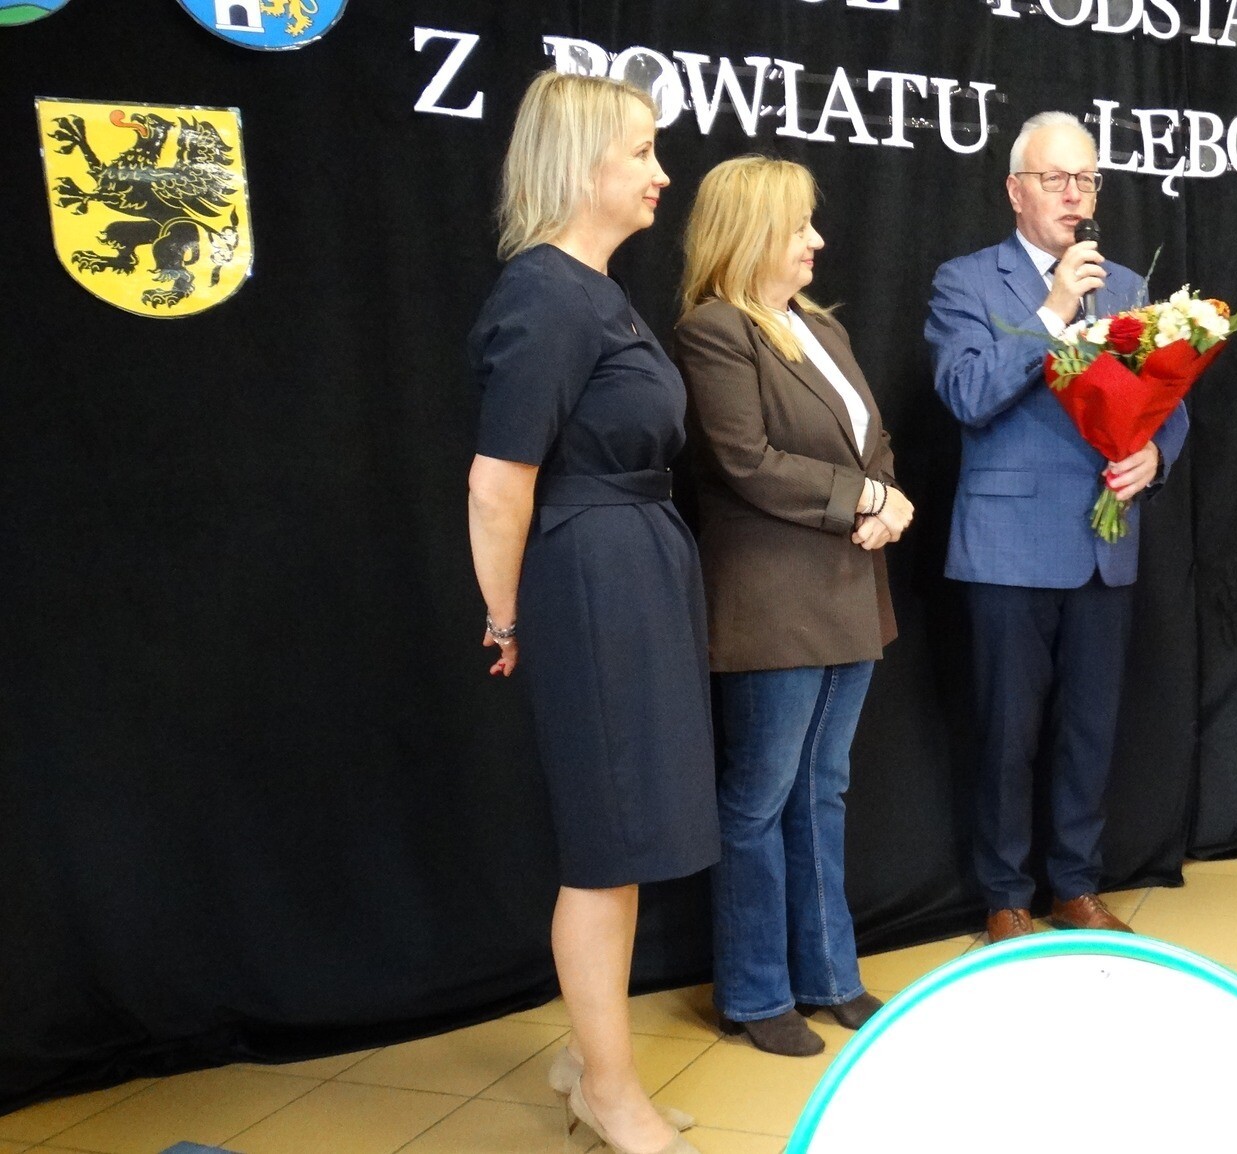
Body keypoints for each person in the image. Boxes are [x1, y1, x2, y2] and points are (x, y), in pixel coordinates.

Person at [465, 72, 710, 1154]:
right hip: (591, 581)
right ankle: (610, 1096)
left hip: (630, 569)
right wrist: (505, 617)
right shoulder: (547, 294)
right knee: (605, 847)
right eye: (642, 151)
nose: (661, 172)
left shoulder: (590, 290)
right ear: (580, 163)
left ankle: (587, 1061)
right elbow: (497, 481)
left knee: (624, 837)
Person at [925, 111, 1189, 943]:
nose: (1075, 195)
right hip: (1008, 549)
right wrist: (1052, 311)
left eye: (1087, 180)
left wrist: (1155, 457)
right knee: (1007, 735)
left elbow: (1171, 399)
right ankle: (1006, 896)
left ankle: (1076, 885)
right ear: (1016, 190)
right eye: (1056, 179)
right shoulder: (968, 282)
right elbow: (967, 394)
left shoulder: (1127, 286)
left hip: (1103, 543)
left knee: (1090, 730)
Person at [671, 157, 911, 1057]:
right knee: (759, 801)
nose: (817, 240)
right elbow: (745, 460)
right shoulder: (714, 331)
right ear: (750, 233)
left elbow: (872, 441)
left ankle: (830, 978)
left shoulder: (820, 327)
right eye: (798, 226)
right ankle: (754, 992)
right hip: (771, 605)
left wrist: (887, 499)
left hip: (850, 591)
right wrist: (866, 500)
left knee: (823, 792)